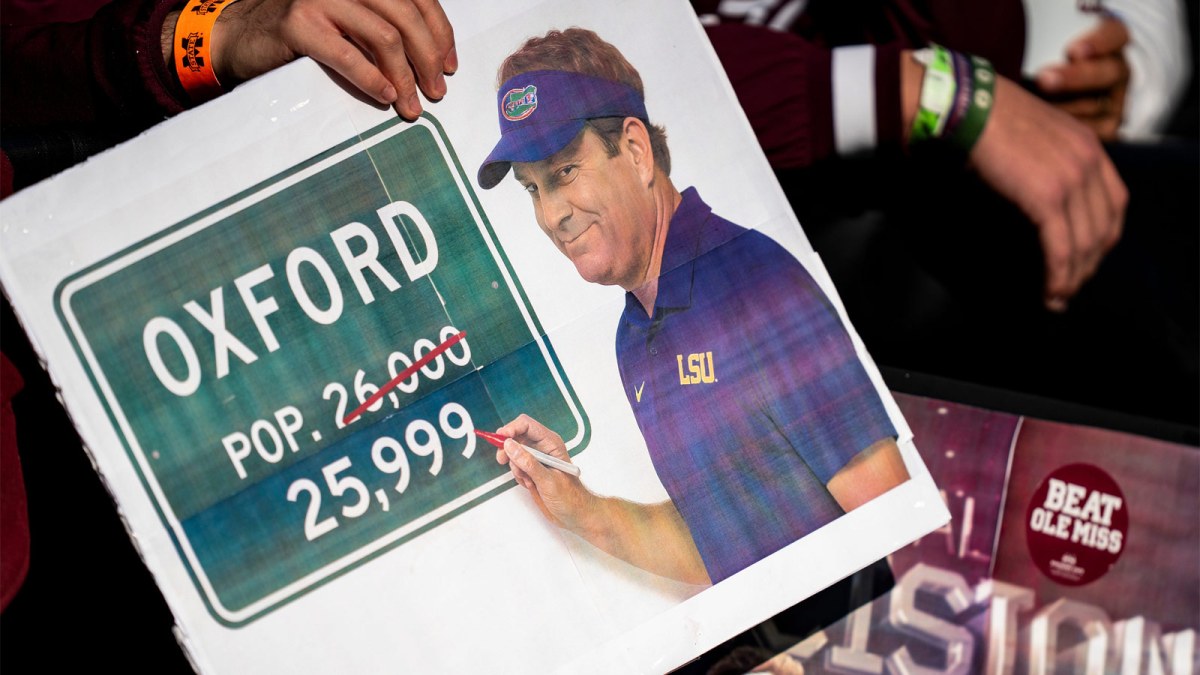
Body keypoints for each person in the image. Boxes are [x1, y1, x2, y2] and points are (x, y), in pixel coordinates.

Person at [477, 28, 910, 586]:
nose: (551, 214)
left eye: (563, 172)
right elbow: (719, 542)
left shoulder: (752, 284)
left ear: (636, 152)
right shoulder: (633, 335)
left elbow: (898, 524)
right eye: (533, 188)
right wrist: (583, 510)